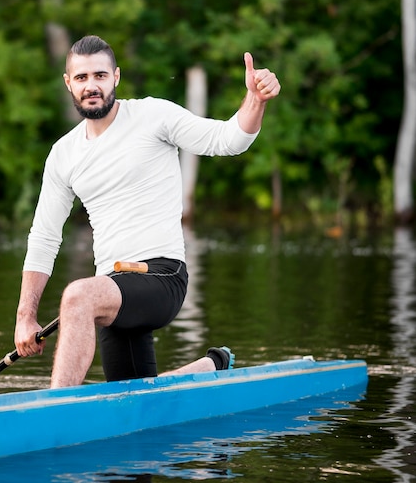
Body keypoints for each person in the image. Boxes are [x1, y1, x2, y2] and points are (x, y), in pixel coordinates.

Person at [14, 34, 281, 388]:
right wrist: (25, 317)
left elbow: (227, 139)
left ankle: (52, 415)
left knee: (78, 295)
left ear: (116, 78)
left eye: (100, 75)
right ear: (68, 83)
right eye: (81, 78)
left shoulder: (153, 115)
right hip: (112, 290)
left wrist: (255, 98)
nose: (91, 86)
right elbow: (45, 237)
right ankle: (209, 367)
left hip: (162, 277)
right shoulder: (63, 154)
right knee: (133, 396)